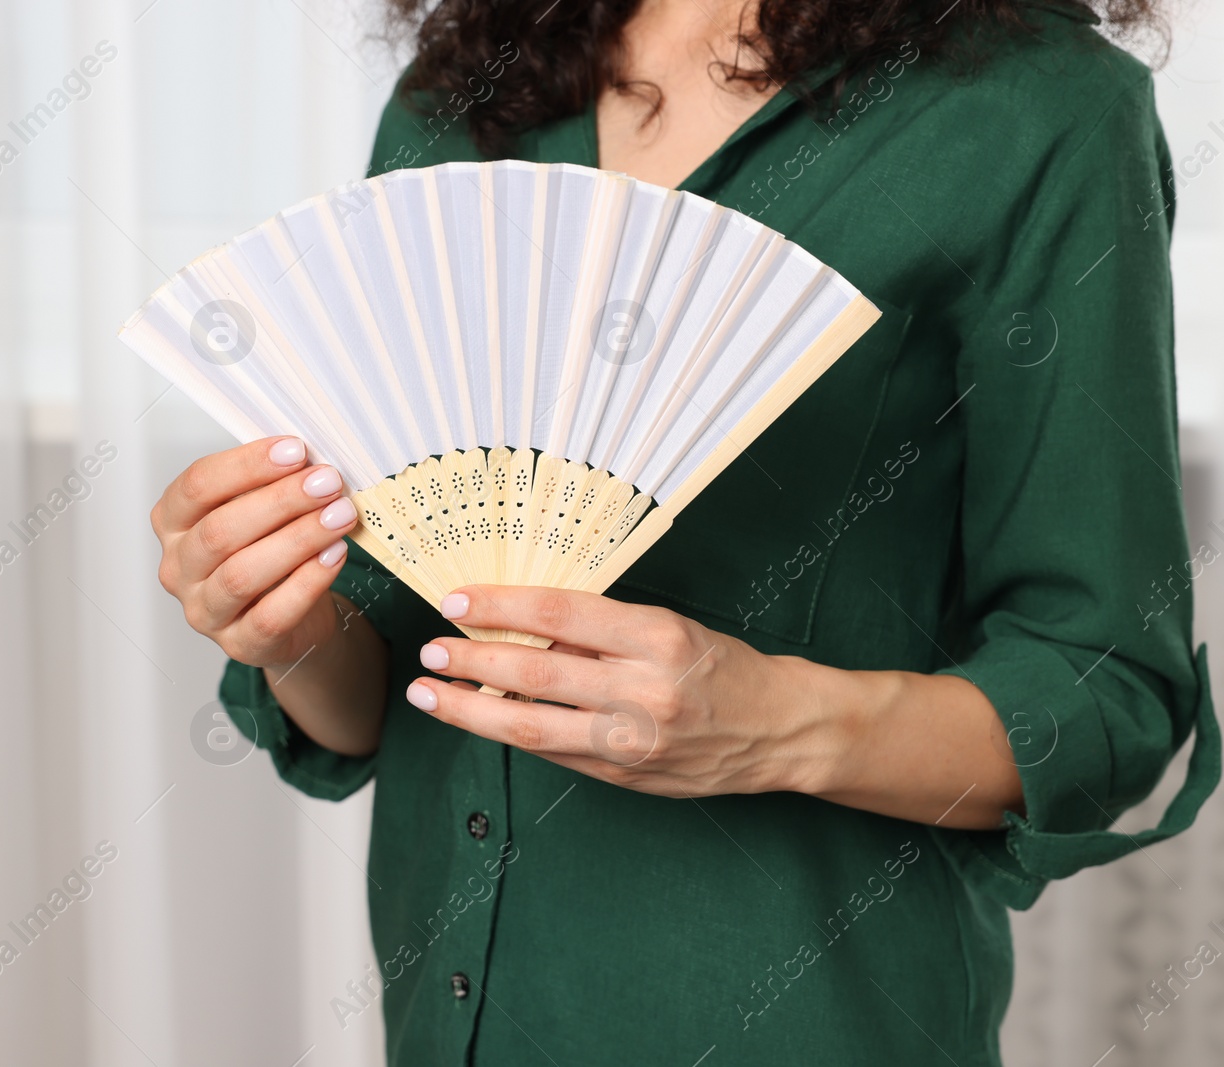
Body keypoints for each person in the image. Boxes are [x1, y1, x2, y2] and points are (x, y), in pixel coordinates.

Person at [149, 1, 1219, 1062]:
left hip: (809, 1018)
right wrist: (281, 619)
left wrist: (777, 719)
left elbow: (1107, 688)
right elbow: (381, 695)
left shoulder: (1040, 109)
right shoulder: (465, 91)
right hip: (449, 1017)